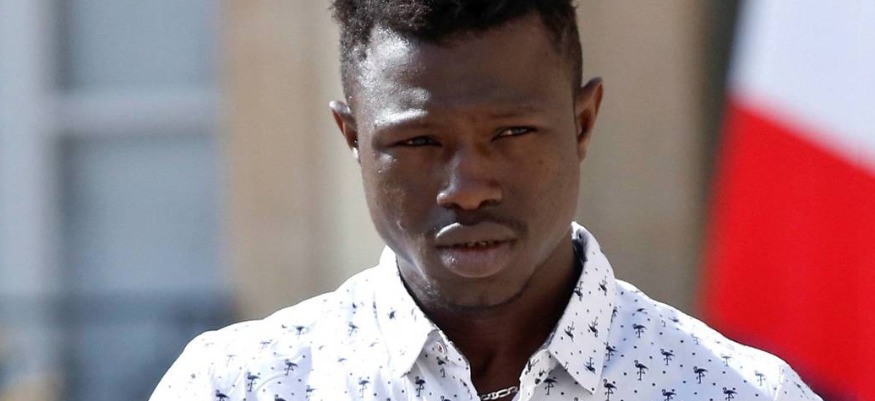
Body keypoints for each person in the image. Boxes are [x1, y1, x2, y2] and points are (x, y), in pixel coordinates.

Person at [150, 1, 821, 400]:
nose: (468, 187)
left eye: (512, 133)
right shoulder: (239, 386)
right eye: (418, 141)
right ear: (352, 137)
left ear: (583, 122)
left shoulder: (736, 392)